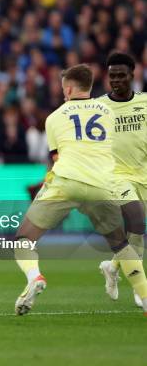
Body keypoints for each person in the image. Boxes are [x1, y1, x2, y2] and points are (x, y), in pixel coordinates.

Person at [13, 64, 147, 315]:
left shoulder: (54, 118)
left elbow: (57, 159)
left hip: (67, 182)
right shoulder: (108, 112)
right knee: (120, 244)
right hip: (102, 184)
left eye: (64, 88)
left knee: (24, 239)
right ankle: (145, 296)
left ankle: (34, 277)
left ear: (70, 88)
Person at [96, 53, 147, 307]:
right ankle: (141, 288)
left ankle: (113, 266)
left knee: (135, 232)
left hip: (143, 175)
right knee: (137, 223)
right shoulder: (97, 107)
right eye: (112, 75)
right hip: (115, 178)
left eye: (121, 75)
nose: (115, 80)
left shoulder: (145, 103)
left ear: (132, 75)